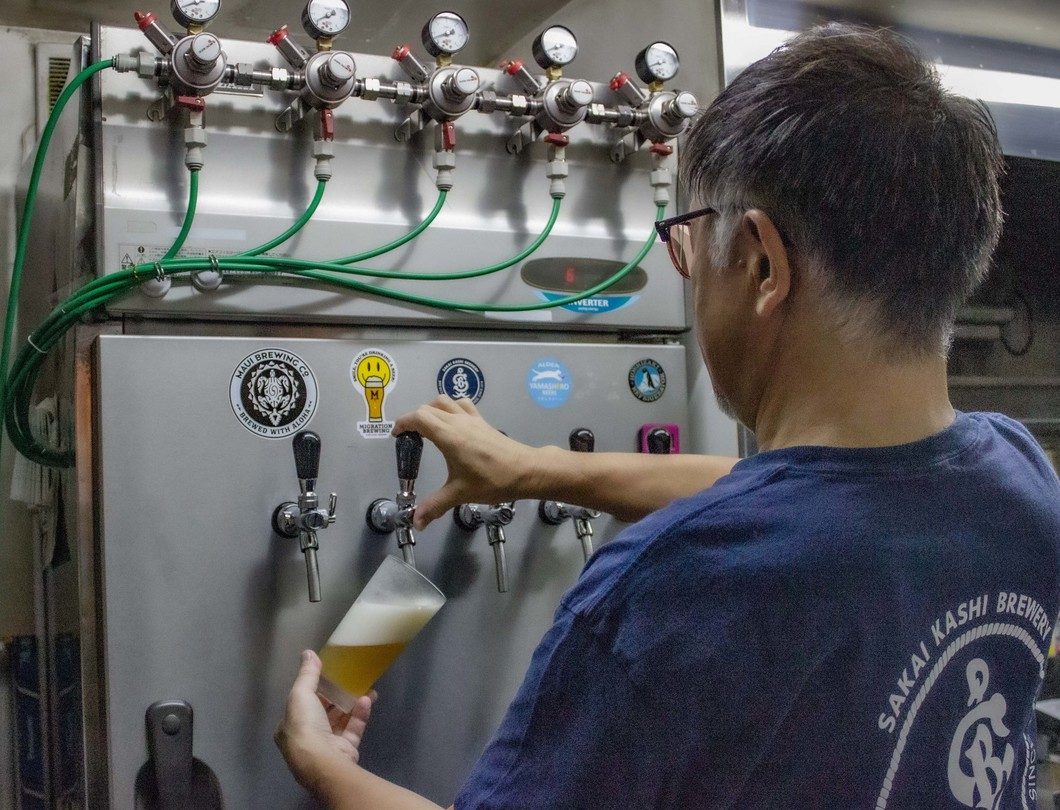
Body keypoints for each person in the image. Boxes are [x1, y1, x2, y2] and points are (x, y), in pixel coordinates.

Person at [274, 22, 1060, 809]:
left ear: (760, 263)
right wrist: (534, 469)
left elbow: (769, 525)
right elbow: (799, 503)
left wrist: (323, 765)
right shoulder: (1018, 478)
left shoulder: (666, 590)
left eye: (686, 243)